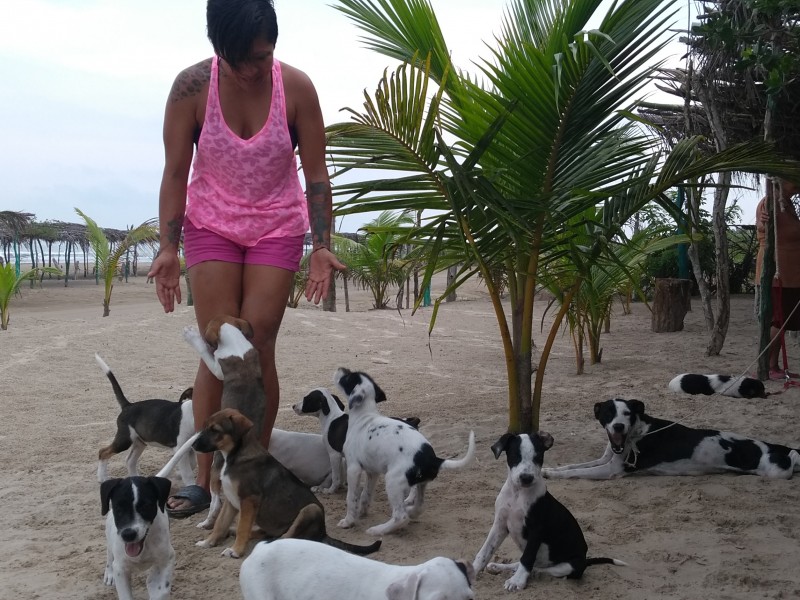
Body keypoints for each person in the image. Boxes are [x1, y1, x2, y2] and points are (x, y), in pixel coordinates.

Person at [147, 0, 346, 517]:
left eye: (265, 55)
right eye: (245, 61)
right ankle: (205, 480)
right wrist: (169, 247)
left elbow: (317, 174)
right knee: (219, 344)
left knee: (255, 344)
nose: (258, 68)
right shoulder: (191, 88)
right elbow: (174, 173)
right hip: (211, 221)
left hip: (277, 224)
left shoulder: (296, 89)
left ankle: (248, 469)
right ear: (219, 49)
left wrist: (321, 245)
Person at [755, 178, 800, 380]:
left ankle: (775, 366)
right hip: (777, 274)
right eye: (794, 181)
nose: (797, 185)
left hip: (792, 274)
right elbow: (762, 225)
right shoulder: (769, 202)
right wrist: (761, 223)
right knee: (777, 320)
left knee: (784, 319)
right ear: (781, 181)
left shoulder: (786, 203)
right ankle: (768, 366)